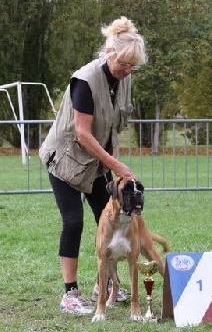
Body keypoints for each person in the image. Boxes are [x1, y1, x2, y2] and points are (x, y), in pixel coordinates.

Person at [39, 16, 148, 314]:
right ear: (110, 52)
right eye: (124, 65)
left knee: (110, 216)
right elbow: (83, 133)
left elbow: (113, 128)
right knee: (73, 221)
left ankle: (107, 284)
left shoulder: (124, 81)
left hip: (96, 163)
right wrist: (117, 164)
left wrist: (115, 171)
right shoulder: (85, 80)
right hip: (65, 160)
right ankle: (70, 293)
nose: (128, 72)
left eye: (133, 67)